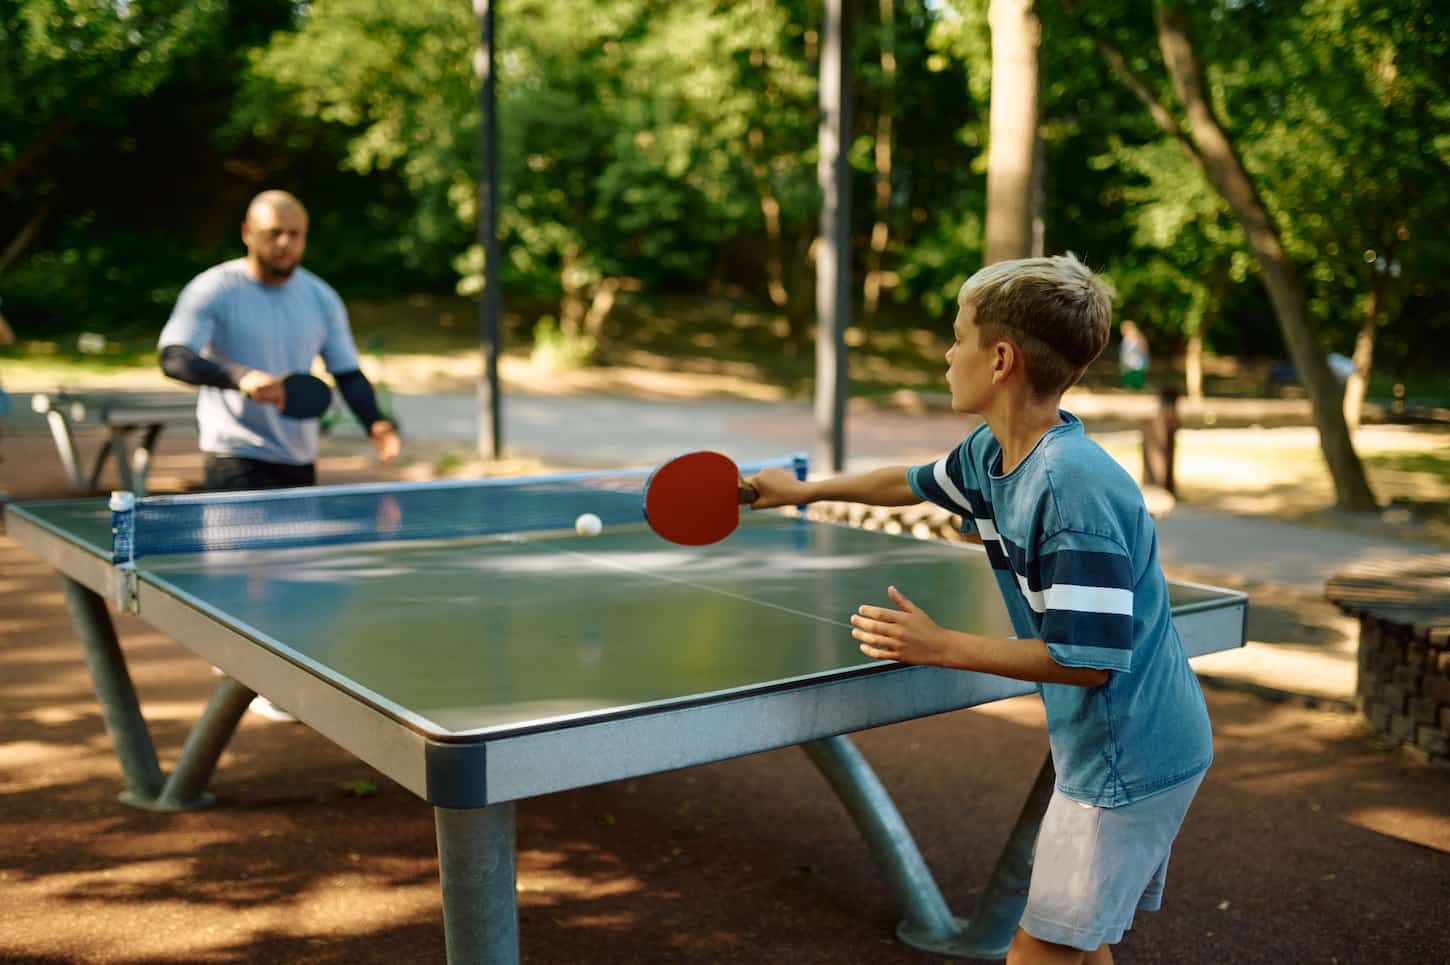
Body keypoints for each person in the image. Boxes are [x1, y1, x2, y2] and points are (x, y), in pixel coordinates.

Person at [746, 254, 1212, 965]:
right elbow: (906, 482)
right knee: (1078, 946)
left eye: (957, 336)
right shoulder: (994, 453)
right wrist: (802, 491)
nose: (946, 352)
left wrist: (940, 644)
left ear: (1000, 359)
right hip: (1116, 745)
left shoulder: (1068, 489)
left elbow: (1084, 660)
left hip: (1128, 753)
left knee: (1039, 949)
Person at [159, 189, 402, 719]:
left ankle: (266, 670)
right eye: (274, 233)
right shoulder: (215, 289)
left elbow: (347, 373)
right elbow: (173, 357)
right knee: (242, 570)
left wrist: (378, 423)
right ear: (248, 232)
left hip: (297, 452)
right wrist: (238, 376)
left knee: (291, 568)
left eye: (295, 233)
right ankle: (251, 677)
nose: (286, 243)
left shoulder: (319, 297)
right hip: (234, 450)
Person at [1117, 320, 1149, 390]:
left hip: (1136, 363)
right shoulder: (1126, 339)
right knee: (1128, 379)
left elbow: (1144, 350)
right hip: (1127, 363)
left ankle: (1138, 388)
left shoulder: (1137, 339)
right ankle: (1129, 388)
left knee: (1137, 379)